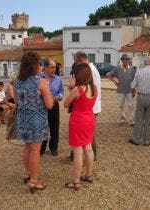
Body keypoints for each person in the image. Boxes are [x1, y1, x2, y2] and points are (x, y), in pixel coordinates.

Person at [15, 52, 53, 193]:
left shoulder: (17, 81)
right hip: (37, 120)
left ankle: (27, 174)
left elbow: (17, 103)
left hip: (23, 119)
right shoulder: (41, 82)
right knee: (35, 150)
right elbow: (49, 105)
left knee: (27, 147)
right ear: (34, 66)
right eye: (39, 63)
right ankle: (34, 181)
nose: (41, 66)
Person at [64, 63, 97, 191]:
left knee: (77, 151)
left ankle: (76, 182)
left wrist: (71, 88)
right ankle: (89, 175)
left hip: (78, 121)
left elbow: (66, 104)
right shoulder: (94, 88)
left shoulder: (78, 89)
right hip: (89, 119)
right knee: (88, 148)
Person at [40, 59, 64, 156]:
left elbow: (61, 92)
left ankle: (54, 148)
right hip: (41, 107)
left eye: (55, 67)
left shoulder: (58, 79)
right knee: (42, 128)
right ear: (45, 67)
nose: (54, 69)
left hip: (54, 106)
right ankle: (41, 148)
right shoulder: (38, 79)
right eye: (51, 67)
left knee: (54, 128)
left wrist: (60, 96)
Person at [106, 54, 135, 126]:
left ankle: (132, 121)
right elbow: (108, 74)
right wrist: (114, 81)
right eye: (125, 59)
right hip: (120, 90)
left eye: (128, 60)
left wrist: (134, 90)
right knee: (121, 105)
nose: (127, 61)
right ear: (122, 60)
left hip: (129, 90)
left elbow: (135, 80)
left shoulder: (132, 69)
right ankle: (122, 119)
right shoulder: (117, 69)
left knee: (131, 105)